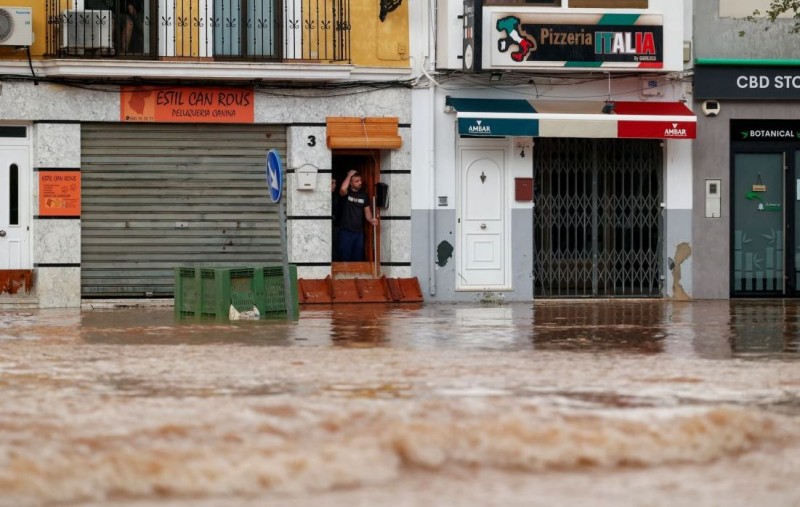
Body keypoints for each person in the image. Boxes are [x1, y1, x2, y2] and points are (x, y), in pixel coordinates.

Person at [337, 170, 378, 262]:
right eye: (356, 181)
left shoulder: (363, 196)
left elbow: (367, 212)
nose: (360, 183)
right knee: (345, 258)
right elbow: (343, 189)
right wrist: (349, 175)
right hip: (345, 231)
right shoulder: (346, 194)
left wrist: (371, 220)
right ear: (350, 183)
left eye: (360, 180)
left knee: (357, 258)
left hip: (359, 233)